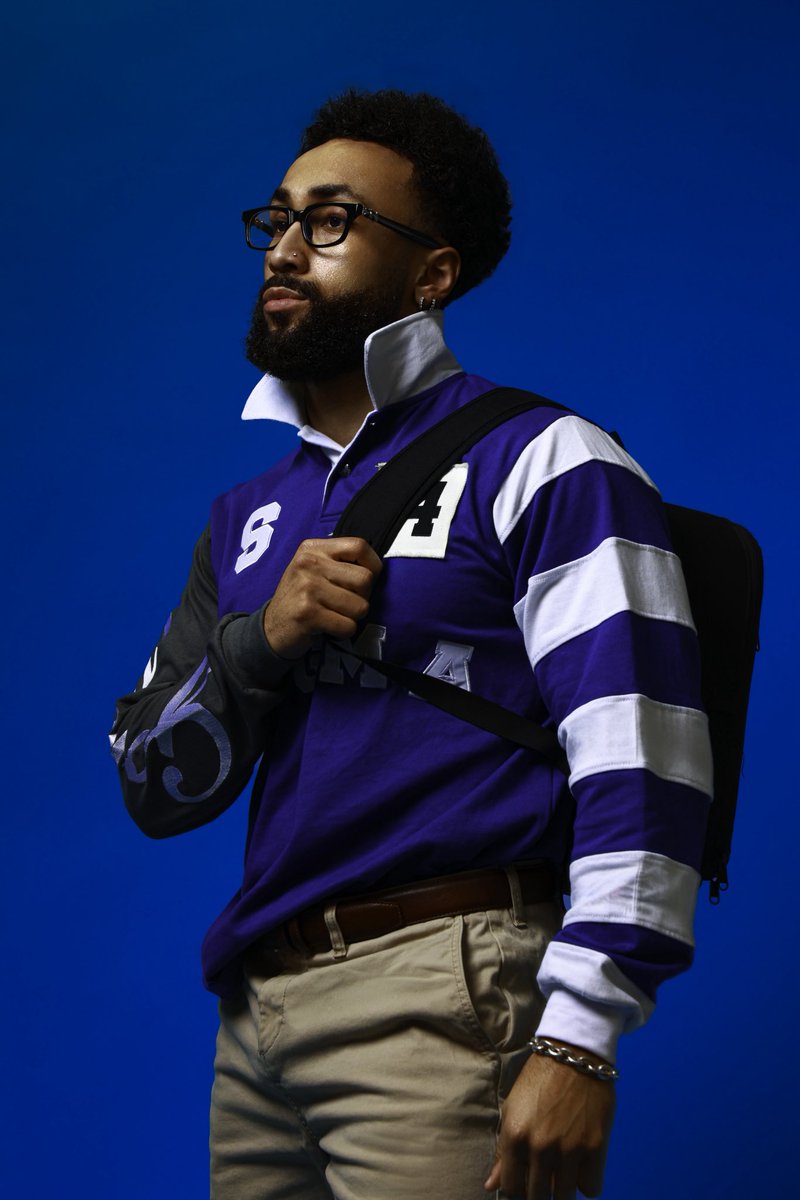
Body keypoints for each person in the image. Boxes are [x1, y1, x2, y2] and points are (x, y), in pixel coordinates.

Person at [110, 89, 712, 1200]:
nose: (286, 248)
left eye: (331, 220)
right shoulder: (244, 516)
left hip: (447, 988)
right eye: (279, 219)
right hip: (255, 1017)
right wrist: (262, 638)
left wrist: (577, 1036)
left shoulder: (544, 458)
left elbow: (644, 757)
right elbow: (149, 785)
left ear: (433, 274)